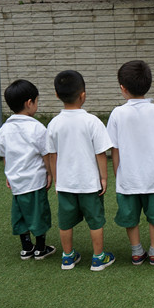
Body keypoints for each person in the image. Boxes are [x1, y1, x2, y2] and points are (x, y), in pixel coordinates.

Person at [107, 60, 154, 266]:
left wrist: (117, 173)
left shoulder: (117, 113)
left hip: (127, 178)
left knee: (130, 217)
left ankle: (137, 252)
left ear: (123, 88)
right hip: (152, 178)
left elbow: (114, 149)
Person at [46, 70, 115, 271]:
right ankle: (98, 258)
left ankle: (67, 257)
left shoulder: (54, 124)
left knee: (65, 221)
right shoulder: (92, 121)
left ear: (57, 95)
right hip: (89, 183)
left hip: (65, 184)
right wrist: (104, 178)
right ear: (83, 95)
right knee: (95, 220)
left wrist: (57, 180)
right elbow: (100, 153)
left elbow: (52, 155)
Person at [0, 79, 56, 261]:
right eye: (37, 101)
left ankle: (26, 247)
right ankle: (40, 248)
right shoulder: (36, 127)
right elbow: (46, 153)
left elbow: (4, 153)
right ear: (30, 103)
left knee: (20, 212)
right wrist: (49, 172)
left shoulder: (4, 129)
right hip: (35, 180)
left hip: (16, 181)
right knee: (39, 212)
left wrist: (8, 173)